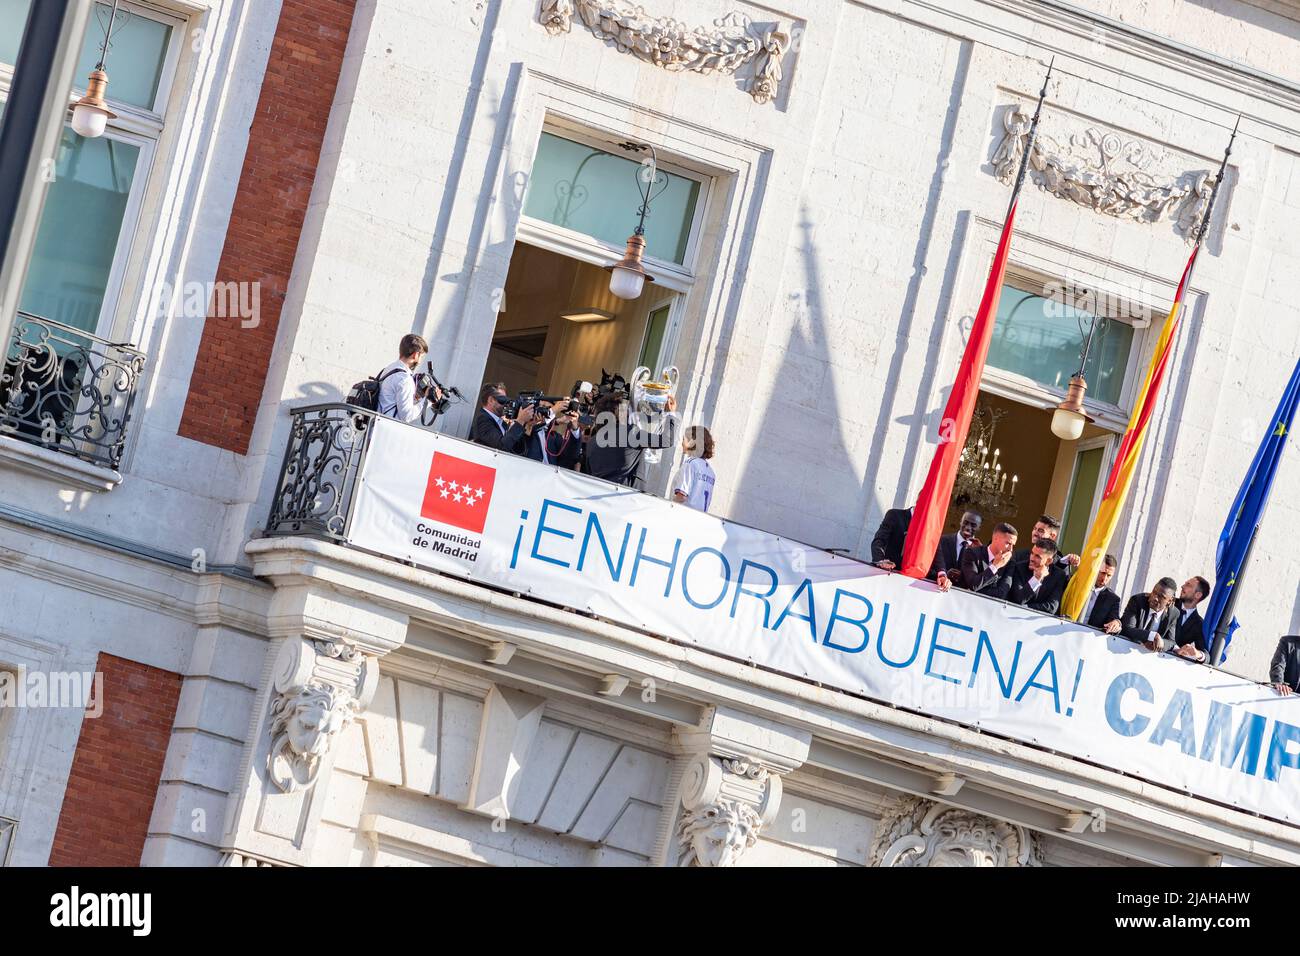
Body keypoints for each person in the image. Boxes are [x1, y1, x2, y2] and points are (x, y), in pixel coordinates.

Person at [586, 391, 678, 486]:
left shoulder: (592, 442)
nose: (627, 413)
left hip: (597, 492)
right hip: (627, 494)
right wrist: (670, 414)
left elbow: (588, 474)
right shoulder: (629, 433)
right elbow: (666, 440)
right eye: (625, 410)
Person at [377, 333, 441, 424]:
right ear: (415, 355)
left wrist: (416, 399)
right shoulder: (405, 379)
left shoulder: (389, 369)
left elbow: (389, 401)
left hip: (377, 422)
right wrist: (428, 400)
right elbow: (407, 416)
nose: (419, 361)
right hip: (385, 428)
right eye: (421, 357)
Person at [944, 522, 1017, 598]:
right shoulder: (972, 553)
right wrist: (995, 567)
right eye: (1008, 543)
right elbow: (974, 584)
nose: (1010, 549)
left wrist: (975, 588)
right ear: (995, 538)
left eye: (1013, 545)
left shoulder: (1009, 562)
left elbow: (1002, 593)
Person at [1104, 577, 1178, 652]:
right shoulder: (1138, 601)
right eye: (1154, 592)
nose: (1155, 598)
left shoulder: (1173, 613)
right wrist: (1151, 636)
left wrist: (1161, 643)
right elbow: (1127, 628)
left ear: (1170, 601)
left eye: (1161, 597)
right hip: (1123, 649)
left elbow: (1171, 642)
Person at [1005, 537, 1068, 614]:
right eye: (1032, 553)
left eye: (1037, 556)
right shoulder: (1019, 568)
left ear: (1049, 561)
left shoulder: (1059, 575)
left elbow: (1052, 607)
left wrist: (1026, 607)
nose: (1032, 558)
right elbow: (1018, 599)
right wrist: (1036, 579)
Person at [469, 382, 531, 452]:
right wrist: (520, 421)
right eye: (503, 399)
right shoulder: (483, 419)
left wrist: (527, 425)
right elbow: (501, 447)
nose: (506, 403)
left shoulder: (502, 423)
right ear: (491, 400)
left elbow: (516, 448)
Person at [1011, 514, 1080, 573]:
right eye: (1034, 529)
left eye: (1040, 531)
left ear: (1052, 536)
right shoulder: (1019, 555)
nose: (1035, 533)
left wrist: (1077, 566)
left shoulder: (1062, 563)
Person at [672, 425, 716, 512]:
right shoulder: (711, 472)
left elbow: (682, 496)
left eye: (684, 439)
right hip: (700, 518)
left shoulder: (691, 463)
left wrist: (668, 508)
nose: (682, 443)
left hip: (684, 516)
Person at [929, 510, 981, 582]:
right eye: (965, 523)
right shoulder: (941, 541)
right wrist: (944, 575)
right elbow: (928, 568)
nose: (968, 527)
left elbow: (979, 579)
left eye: (973, 525)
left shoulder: (980, 551)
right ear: (960, 522)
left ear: (979, 528)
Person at [1170, 576, 1212, 662]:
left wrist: (1198, 654)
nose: (1182, 586)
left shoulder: (1199, 623)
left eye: (1188, 585)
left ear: (1198, 595)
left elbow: (1206, 656)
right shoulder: (1169, 603)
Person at [1080, 554, 1122, 629]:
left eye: (1109, 575)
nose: (1104, 578)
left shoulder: (1113, 599)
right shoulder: (1078, 584)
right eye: (1102, 573)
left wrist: (1117, 624)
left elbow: (1114, 620)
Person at [871, 506, 911, 570]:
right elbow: (879, 540)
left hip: (917, 578)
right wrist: (880, 560)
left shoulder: (930, 527)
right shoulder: (895, 515)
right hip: (887, 572)